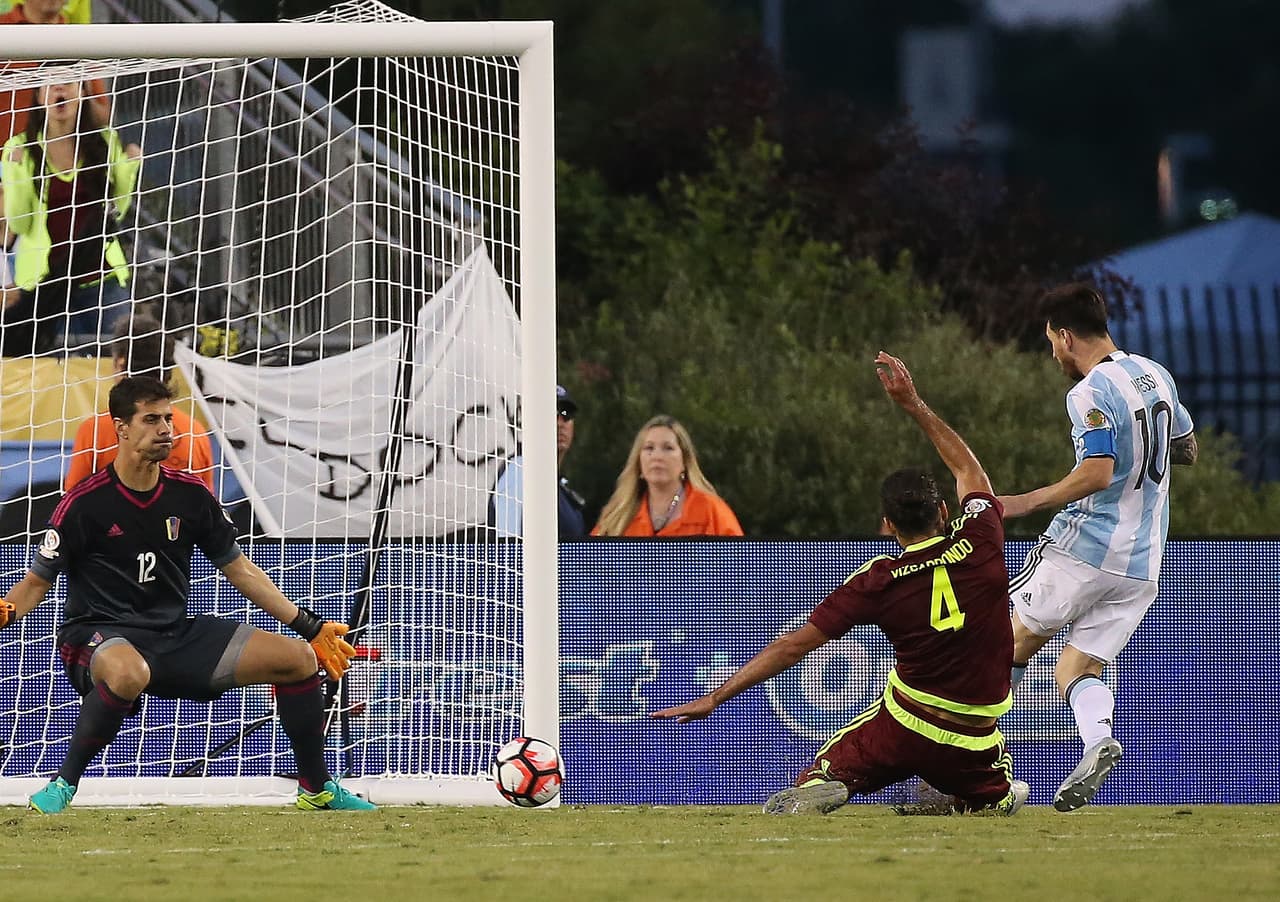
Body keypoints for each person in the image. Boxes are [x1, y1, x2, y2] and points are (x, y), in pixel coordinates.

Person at [654, 352, 1027, 817]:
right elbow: (969, 472)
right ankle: (976, 795)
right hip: (974, 735)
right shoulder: (981, 540)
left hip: (904, 726)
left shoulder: (878, 580)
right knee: (1010, 798)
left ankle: (833, 781)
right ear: (945, 513)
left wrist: (713, 697)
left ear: (887, 524)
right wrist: (913, 404)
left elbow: (793, 647)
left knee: (823, 773)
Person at [0, 376, 376, 814]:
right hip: (97, 635)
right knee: (127, 673)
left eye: (169, 418)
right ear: (121, 428)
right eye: (151, 419)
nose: (165, 429)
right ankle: (62, 785)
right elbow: (36, 582)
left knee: (298, 660)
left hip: (174, 635)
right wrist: (5, 611)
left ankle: (317, 789)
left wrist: (308, 626)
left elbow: (241, 569)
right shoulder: (84, 503)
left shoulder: (191, 495)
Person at [998, 282, 1196, 812]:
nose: (1053, 354)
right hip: (1144, 561)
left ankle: (972, 763)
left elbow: (1096, 472)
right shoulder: (1156, 374)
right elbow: (1188, 448)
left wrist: (1022, 501)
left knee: (1000, 644)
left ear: (1065, 335)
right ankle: (1096, 740)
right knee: (1077, 671)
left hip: (1085, 546)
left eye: (1050, 342)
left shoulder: (1087, 391)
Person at [1, 80, 138, 355]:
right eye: (51, 86)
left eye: (68, 84)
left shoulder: (104, 140)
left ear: (83, 93)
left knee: (121, 365)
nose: (59, 91)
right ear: (40, 97)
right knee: (53, 379)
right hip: (46, 285)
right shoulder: (19, 148)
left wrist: (130, 168)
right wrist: (15, 173)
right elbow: (19, 223)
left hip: (101, 280)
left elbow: (117, 212)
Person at [65, 311, 215, 491]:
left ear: (121, 364)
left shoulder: (95, 431)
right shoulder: (196, 433)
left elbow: (73, 505)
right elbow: (207, 509)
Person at [592, 414, 743, 537]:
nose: (657, 456)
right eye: (649, 448)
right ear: (638, 461)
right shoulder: (618, 516)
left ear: (685, 461)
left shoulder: (711, 511)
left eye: (668, 448)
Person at [491, 384, 587, 538]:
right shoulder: (519, 471)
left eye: (566, 414)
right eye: (551, 413)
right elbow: (508, 548)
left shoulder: (562, 488)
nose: (559, 422)